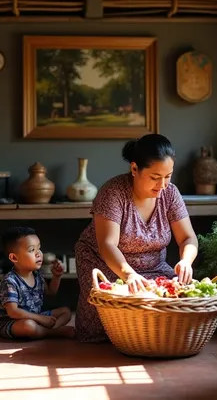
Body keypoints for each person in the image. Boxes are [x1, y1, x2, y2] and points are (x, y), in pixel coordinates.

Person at [74, 134, 199, 343]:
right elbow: (107, 244)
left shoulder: (170, 194)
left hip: (154, 266)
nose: (163, 184)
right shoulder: (113, 192)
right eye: (155, 177)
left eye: (168, 176)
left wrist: (186, 261)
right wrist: (129, 275)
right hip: (105, 264)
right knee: (116, 316)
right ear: (134, 169)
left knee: (175, 305)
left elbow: (188, 238)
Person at [0, 227, 75, 340]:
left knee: (66, 312)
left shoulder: (37, 274)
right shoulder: (10, 282)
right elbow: (13, 312)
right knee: (28, 326)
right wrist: (41, 319)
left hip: (36, 317)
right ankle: (53, 332)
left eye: (39, 248)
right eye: (32, 250)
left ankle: (47, 330)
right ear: (14, 257)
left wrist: (56, 276)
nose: (39, 254)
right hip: (13, 323)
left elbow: (51, 292)